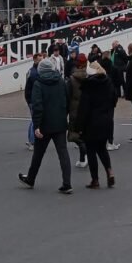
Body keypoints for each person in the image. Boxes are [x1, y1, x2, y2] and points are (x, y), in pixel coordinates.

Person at [18, 57, 73, 193]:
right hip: (60, 122)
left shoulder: (38, 83)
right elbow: (67, 100)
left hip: (44, 124)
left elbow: (37, 106)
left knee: (38, 153)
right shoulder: (61, 81)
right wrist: (63, 115)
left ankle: (31, 178)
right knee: (63, 153)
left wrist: (36, 125)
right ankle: (67, 183)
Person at [76, 61, 116, 188]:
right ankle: (109, 171)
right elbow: (114, 99)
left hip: (91, 122)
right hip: (106, 120)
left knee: (91, 150)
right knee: (102, 149)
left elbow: (83, 109)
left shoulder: (88, 86)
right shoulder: (108, 83)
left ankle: (95, 180)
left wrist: (79, 127)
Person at [67, 54, 89, 168]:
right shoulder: (90, 77)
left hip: (75, 110)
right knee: (85, 134)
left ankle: (83, 157)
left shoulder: (72, 79)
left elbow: (67, 97)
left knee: (75, 136)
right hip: (88, 110)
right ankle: (85, 156)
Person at [24, 53, 43, 149]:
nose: (41, 62)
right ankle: (32, 141)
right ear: (35, 60)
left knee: (32, 120)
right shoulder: (35, 73)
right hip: (33, 99)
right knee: (34, 120)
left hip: (30, 99)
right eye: (40, 60)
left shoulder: (31, 71)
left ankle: (30, 140)